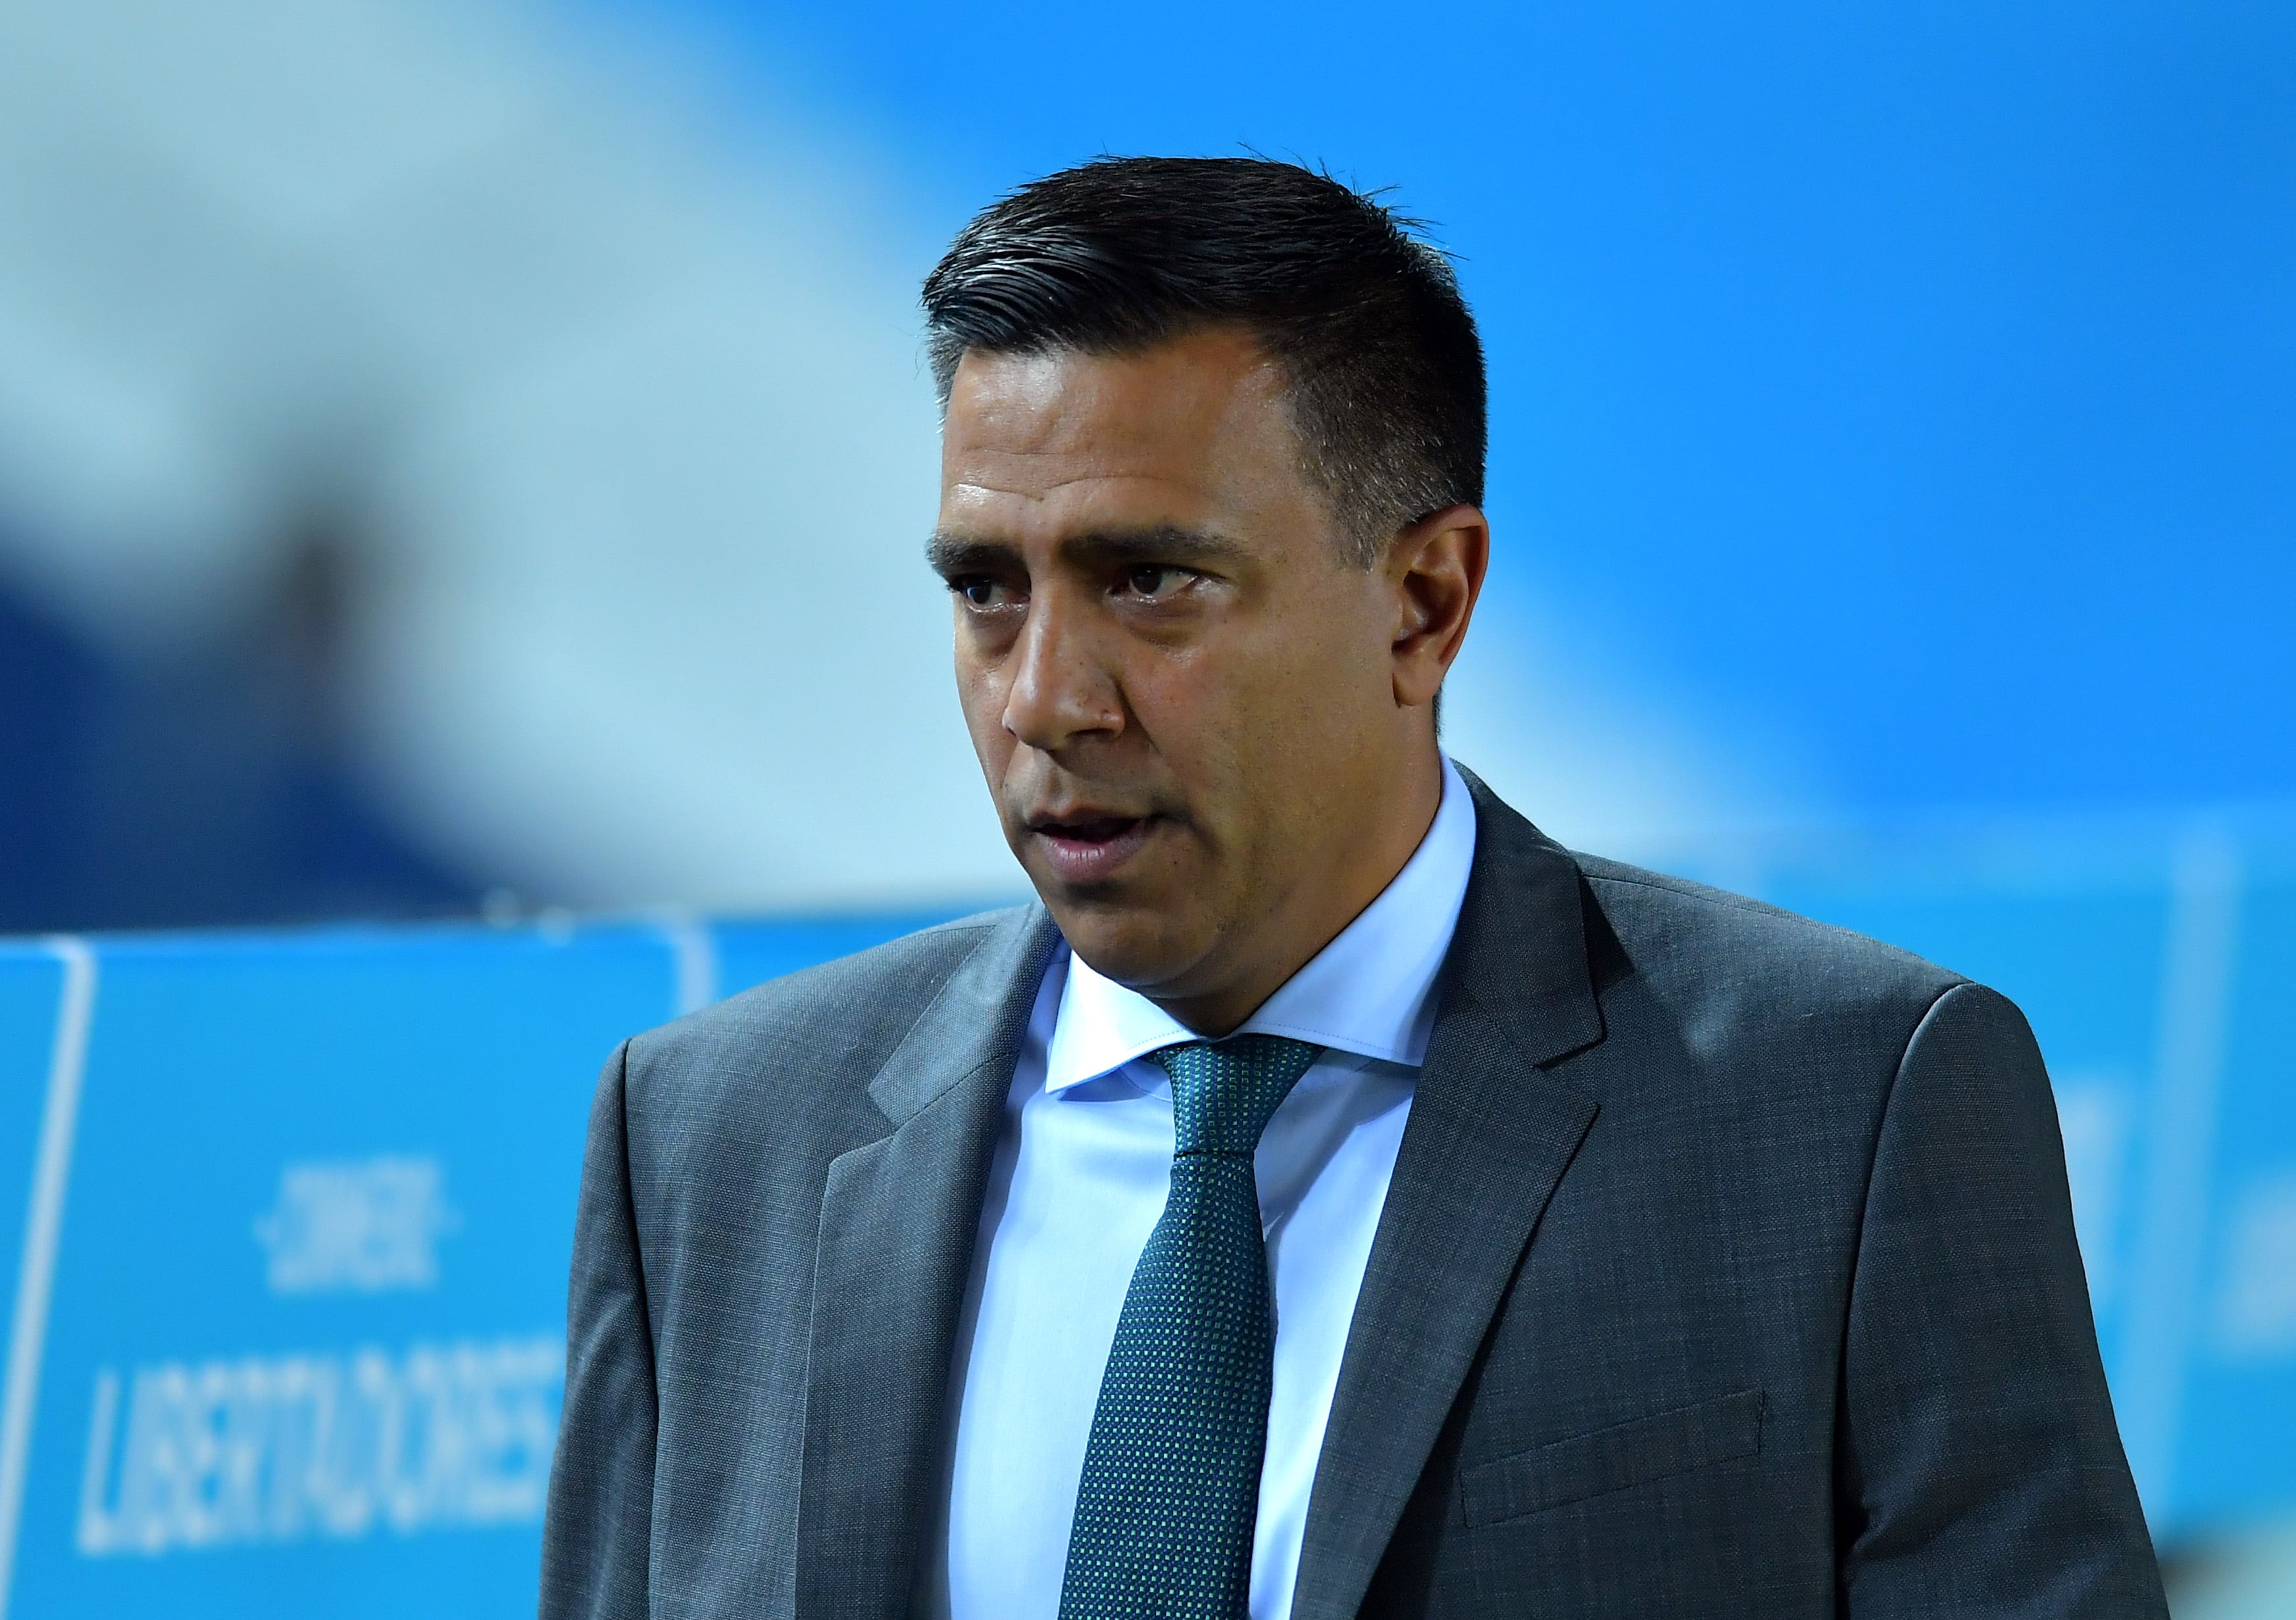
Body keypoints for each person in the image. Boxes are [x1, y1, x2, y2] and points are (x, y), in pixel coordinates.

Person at [539, 157, 2166, 1619]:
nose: (1044, 696)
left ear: (1422, 599)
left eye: (1148, 581)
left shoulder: (1844, 1109)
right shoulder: (708, 1143)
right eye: (985, 589)